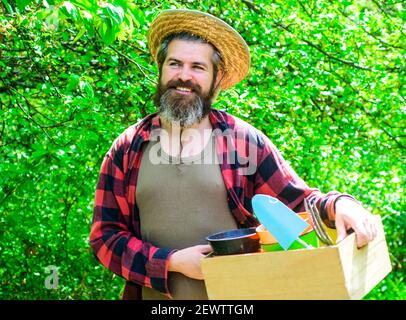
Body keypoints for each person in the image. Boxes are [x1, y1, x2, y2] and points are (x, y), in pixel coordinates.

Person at [89, 9, 378, 300]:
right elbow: (105, 238)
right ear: (162, 70)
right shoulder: (128, 148)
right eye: (175, 64)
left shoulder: (242, 141)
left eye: (198, 67)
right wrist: (171, 262)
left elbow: (298, 204)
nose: (184, 76)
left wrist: (341, 204)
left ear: (216, 79)